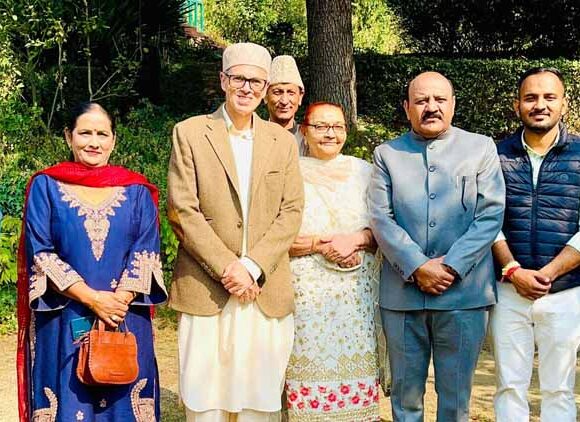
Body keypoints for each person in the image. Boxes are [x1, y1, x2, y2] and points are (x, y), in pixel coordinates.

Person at [167, 42, 304, 422]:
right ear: (223, 80)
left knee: (259, 398)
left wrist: (253, 265)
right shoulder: (191, 133)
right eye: (239, 79)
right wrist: (229, 267)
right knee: (205, 396)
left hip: (264, 288)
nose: (247, 88)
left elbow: (291, 211)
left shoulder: (282, 142)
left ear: (265, 88)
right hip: (207, 286)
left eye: (257, 82)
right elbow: (182, 209)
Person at [16, 102, 167, 422]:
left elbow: (146, 249)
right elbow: (40, 252)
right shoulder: (46, 186)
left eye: (102, 134)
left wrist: (117, 301)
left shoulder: (137, 190)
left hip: (125, 316)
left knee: (124, 396)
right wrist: (94, 299)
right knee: (69, 401)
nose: (94, 142)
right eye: (85, 133)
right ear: (69, 136)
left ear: (114, 140)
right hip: (65, 315)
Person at [368, 71, 505, 421]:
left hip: (463, 295)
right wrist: (417, 266)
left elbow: (490, 215)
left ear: (453, 104)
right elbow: (381, 218)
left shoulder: (481, 148)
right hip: (402, 296)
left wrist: (450, 266)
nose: (431, 107)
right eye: (421, 100)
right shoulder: (387, 154)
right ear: (406, 107)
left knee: (456, 399)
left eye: (440, 99)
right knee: (405, 398)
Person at [490, 67, 580, 422]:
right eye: (530, 98)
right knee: (509, 385)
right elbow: (486, 220)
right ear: (517, 105)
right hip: (508, 291)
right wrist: (513, 271)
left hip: (565, 292)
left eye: (549, 97)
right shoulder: (494, 155)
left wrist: (547, 273)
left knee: (559, 388)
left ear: (564, 104)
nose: (539, 105)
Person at [284, 102, 380, 421]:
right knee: (308, 372)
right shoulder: (287, 172)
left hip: (356, 297)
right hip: (305, 297)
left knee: (356, 372)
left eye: (338, 126)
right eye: (321, 126)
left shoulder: (365, 172)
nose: (330, 134)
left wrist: (355, 240)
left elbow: (384, 229)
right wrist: (321, 245)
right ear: (304, 130)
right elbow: (274, 235)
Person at [264, 55, 306, 155]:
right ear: (265, 96)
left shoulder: (309, 139)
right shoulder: (253, 137)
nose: (284, 101)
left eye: (291, 93)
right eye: (277, 92)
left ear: (300, 97)